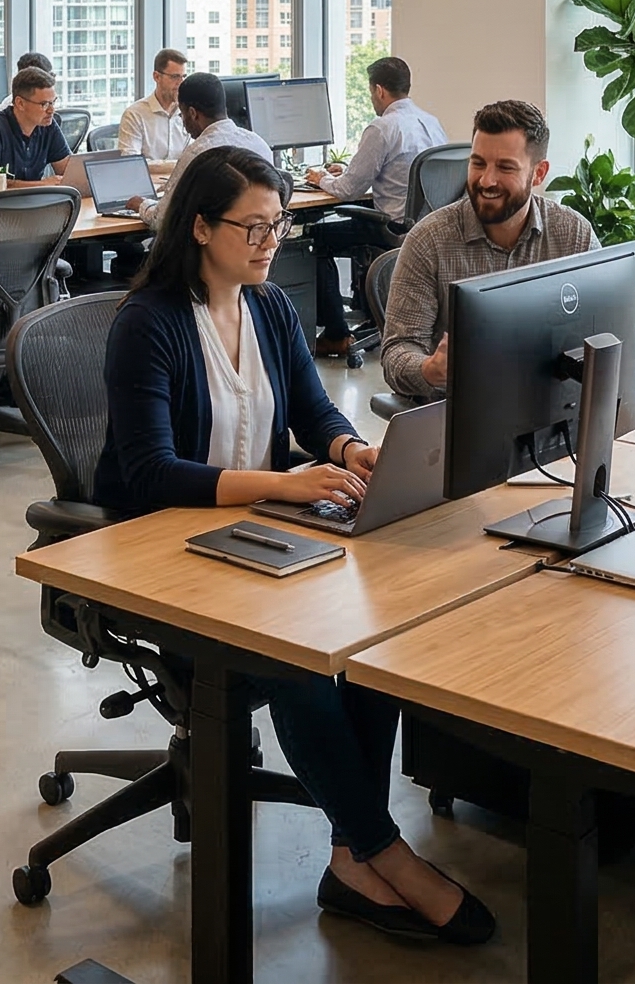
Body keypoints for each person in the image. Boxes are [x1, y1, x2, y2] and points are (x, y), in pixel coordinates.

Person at [95, 146, 495, 947]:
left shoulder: (270, 307)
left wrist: (350, 453)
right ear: (201, 228)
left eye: (278, 222)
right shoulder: (151, 323)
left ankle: (351, 856)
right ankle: (383, 850)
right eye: (253, 226)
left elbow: (316, 416)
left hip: (254, 533)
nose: (271, 239)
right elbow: (148, 474)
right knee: (297, 662)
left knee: (372, 636)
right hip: (159, 547)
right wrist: (286, 485)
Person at [378, 100, 598, 401]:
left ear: (538, 173)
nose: (486, 180)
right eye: (478, 163)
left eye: (505, 167)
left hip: (550, 410)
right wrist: (429, 368)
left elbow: (604, 332)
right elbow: (396, 353)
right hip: (459, 417)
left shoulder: (573, 234)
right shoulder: (429, 240)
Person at [303, 55, 447, 353]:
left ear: (379, 90)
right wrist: (347, 171)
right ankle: (370, 317)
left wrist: (320, 179)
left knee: (314, 238)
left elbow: (347, 190)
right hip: (429, 229)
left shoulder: (383, 128)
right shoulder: (431, 123)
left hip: (393, 229)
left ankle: (336, 334)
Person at [124, 72, 271, 223]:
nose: (183, 122)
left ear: (193, 113)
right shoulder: (259, 144)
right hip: (255, 240)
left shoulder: (198, 153)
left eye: (182, 114)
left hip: (211, 244)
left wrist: (141, 205)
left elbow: (162, 219)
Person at [0, 66, 78, 194]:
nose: (51, 110)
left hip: (31, 207)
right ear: (20, 103)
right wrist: (42, 185)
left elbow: (72, 176)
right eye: (44, 104)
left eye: (53, 102)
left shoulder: (48, 126)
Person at [117, 48, 194, 169]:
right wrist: (177, 165)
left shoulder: (189, 112)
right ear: (157, 77)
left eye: (183, 76)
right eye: (175, 77)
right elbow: (129, 163)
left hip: (182, 184)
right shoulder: (135, 114)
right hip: (149, 184)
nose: (181, 83)